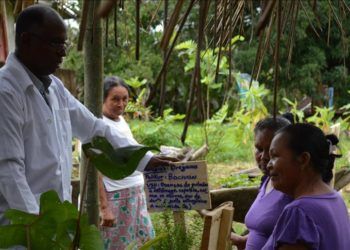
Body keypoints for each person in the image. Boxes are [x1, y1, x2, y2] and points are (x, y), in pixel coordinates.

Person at [0, 5, 172, 225]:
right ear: (26, 41)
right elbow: (9, 171)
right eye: (55, 44)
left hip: (54, 228)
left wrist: (146, 160)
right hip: (24, 231)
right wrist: (36, 227)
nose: (63, 52)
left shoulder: (55, 88)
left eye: (65, 44)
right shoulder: (5, 92)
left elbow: (94, 129)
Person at [262, 123, 350, 250]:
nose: (269, 165)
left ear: (303, 159)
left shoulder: (299, 212)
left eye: (275, 156)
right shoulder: (335, 199)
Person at [98, 76, 155, 249]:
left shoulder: (121, 121)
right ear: (102, 99)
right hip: (116, 199)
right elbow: (94, 171)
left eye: (125, 99)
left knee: (143, 243)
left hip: (134, 197)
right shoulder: (98, 125)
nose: (121, 104)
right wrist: (104, 207)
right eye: (115, 99)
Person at [231, 117, 292, 250]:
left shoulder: (292, 190)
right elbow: (266, 231)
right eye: (259, 149)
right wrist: (242, 241)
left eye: (271, 150)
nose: (263, 156)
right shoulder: (267, 180)